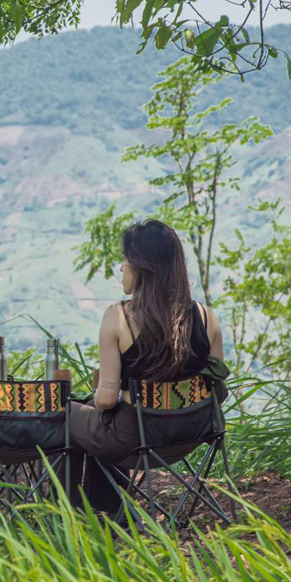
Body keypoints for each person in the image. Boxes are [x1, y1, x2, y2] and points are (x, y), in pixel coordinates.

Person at [64, 219, 224, 516]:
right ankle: (107, 509)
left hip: (135, 439)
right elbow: (217, 387)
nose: (122, 267)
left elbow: (107, 399)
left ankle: (72, 513)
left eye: (126, 260)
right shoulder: (206, 317)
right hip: (192, 434)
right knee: (101, 423)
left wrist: (95, 398)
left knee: (65, 415)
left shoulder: (119, 317)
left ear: (142, 266)